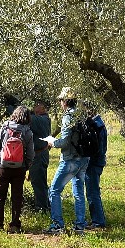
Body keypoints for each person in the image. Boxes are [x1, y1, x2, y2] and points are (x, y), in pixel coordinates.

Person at [45, 87, 89, 235]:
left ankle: (57, 225)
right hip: (84, 159)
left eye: (61, 100)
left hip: (70, 159)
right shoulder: (82, 114)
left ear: (65, 101)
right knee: (78, 192)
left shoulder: (68, 116)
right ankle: (80, 227)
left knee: (54, 190)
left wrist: (52, 142)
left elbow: (64, 141)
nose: (60, 103)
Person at [0, 105, 35, 233]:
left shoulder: (5, 128)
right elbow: (31, 154)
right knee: (17, 197)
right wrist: (26, 166)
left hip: (2, 166)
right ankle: (15, 225)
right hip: (19, 168)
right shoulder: (28, 132)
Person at [84, 107, 108, 229]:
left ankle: (98, 222)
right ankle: (97, 219)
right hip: (98, 162)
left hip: (93, 163)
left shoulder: (95, 126)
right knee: (93, 192)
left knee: (92, 193)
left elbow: (96, 148)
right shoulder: (100, 123)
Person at [28, 99, 52, 213]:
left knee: (38, 182)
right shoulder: (41, 118)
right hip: (39, 154)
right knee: (39, 181)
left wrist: (15, 107)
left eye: (38, 104)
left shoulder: (42, 119)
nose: (34, 106)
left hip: (39, 155)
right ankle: (45, 204)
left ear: (44, 108)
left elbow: (28, 119)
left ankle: (42, 208)